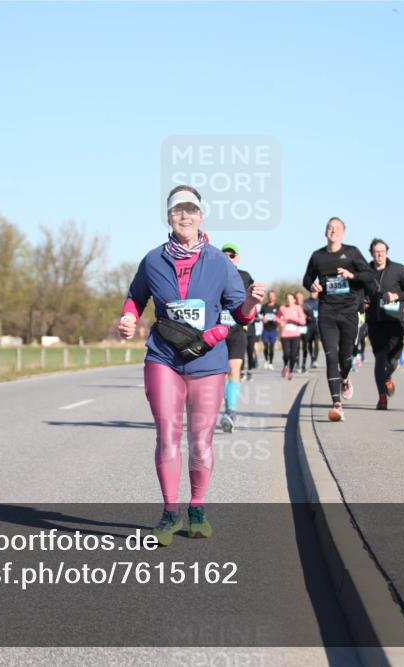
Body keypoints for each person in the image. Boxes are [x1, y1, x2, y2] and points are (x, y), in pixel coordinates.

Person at [119, 185, 265, 545]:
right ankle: (170, 513)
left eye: (191, 209)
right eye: (178, 210)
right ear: (169, 217)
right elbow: (135, 299)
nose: (185, 215)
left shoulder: (218, 261)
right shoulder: (153, 260)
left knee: (200, 440)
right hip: (163, 358)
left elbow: (240, 314)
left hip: (208, 362)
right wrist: (127, 318)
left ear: (202, 216)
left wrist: (250, 301)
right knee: (167, 435)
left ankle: (196, 508)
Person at [302, 217, 375, 422]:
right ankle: (337, 404)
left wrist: (352, 275)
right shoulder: (317, 256)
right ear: (325, 231)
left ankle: (345, 378)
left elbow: (368, 275)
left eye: (337, 228)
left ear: (344, 232)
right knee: (331, 356)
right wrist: (312, 286)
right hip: (327, 312)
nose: (333, 231)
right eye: (329, 228)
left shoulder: (351, 252)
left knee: (345, 357)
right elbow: (307, 278)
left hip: (349, 311)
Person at [365, 239, 404, 410]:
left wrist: (396, 296)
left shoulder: (399, 270)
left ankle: (387, 378)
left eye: (382, 251)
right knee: (380, 358)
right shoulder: (366, 271)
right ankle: (382, 398)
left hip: (395, 322)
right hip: (375, 322)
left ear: (387, 252)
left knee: (392, 361)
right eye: (376, 252)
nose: (379, 255)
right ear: (371, 253)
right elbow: (357, 292)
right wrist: (362, 302)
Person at [218, 243, 254, 434]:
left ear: (237, 258)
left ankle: (230, 412)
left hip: (237, 331)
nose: (228, 258)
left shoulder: (245, 276)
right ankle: (223, 408)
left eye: (231, 255)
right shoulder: (213, 275)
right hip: (216, 331)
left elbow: (253, 302)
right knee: (219, 374)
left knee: (234, 369)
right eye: (224, 255)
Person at [276, 292, 306, 380]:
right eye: (287, 299)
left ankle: (291, 371)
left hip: (295, 334)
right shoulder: (282, 308)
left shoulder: (298, 308)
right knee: (286, 353)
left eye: (290, 298)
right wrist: (280, 322)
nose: (289, 300)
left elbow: (303, 321)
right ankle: (285, 366)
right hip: (285, 335)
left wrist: (294, 318)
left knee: (293, 354)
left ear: (294, 300)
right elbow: (277, 318)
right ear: (286, 300)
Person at [299, 290, 320, 373]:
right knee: (309, 344)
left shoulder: (320, 301)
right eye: (311, 292)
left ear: (317, 293)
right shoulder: (306, 302)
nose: (313, 293)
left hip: (317, 325)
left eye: (315, 292)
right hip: (308, 325)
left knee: (316, 342)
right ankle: (312, 358)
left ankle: (315, 360)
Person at [260, 291, 280, 369]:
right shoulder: (264, 306)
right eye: (270, 296)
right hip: (265, 329)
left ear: (275, 297)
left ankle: (271, 362)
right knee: (265, 346)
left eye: (273, 296)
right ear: (268, 297)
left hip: (273, 329)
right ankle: (266, 360)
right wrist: (263, 319)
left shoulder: (278, 306)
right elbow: (260, 316)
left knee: (271, 346)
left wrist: (277, 319)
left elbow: (281, 316)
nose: (271, 297)